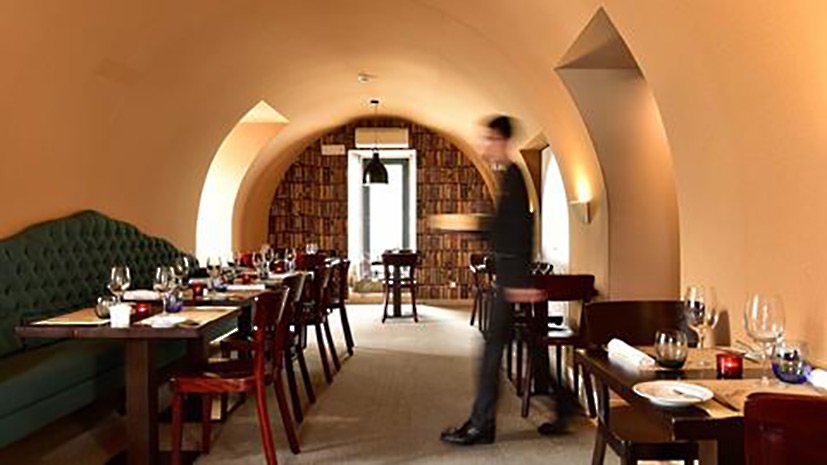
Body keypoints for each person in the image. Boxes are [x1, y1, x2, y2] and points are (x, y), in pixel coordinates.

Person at [440, 115, 571, 446]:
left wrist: (518, 283)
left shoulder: (514, 176)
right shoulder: (509, 177)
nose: (484, 146)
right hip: (512, 277)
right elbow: (506, 230)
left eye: (488, 139)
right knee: (529, 346)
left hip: (511, 279)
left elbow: (519, 232)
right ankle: (564, 402)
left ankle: (481, 425)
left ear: (502, 140)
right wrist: (474, 229)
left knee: (492, 352)